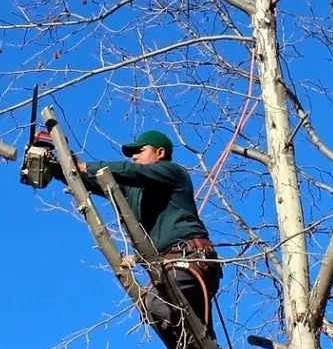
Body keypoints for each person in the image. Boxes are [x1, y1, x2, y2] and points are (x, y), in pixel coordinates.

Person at [53, 129, 221, 334]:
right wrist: (60, 168)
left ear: (160, 153)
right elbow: (96, 181)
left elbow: (131, 172)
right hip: (170, 268)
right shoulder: (134, 190)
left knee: (154, 306)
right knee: (193, 343)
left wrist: (84, 166)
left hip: (190, 259)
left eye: (140, 151)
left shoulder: (172, 172)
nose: (134, 157)